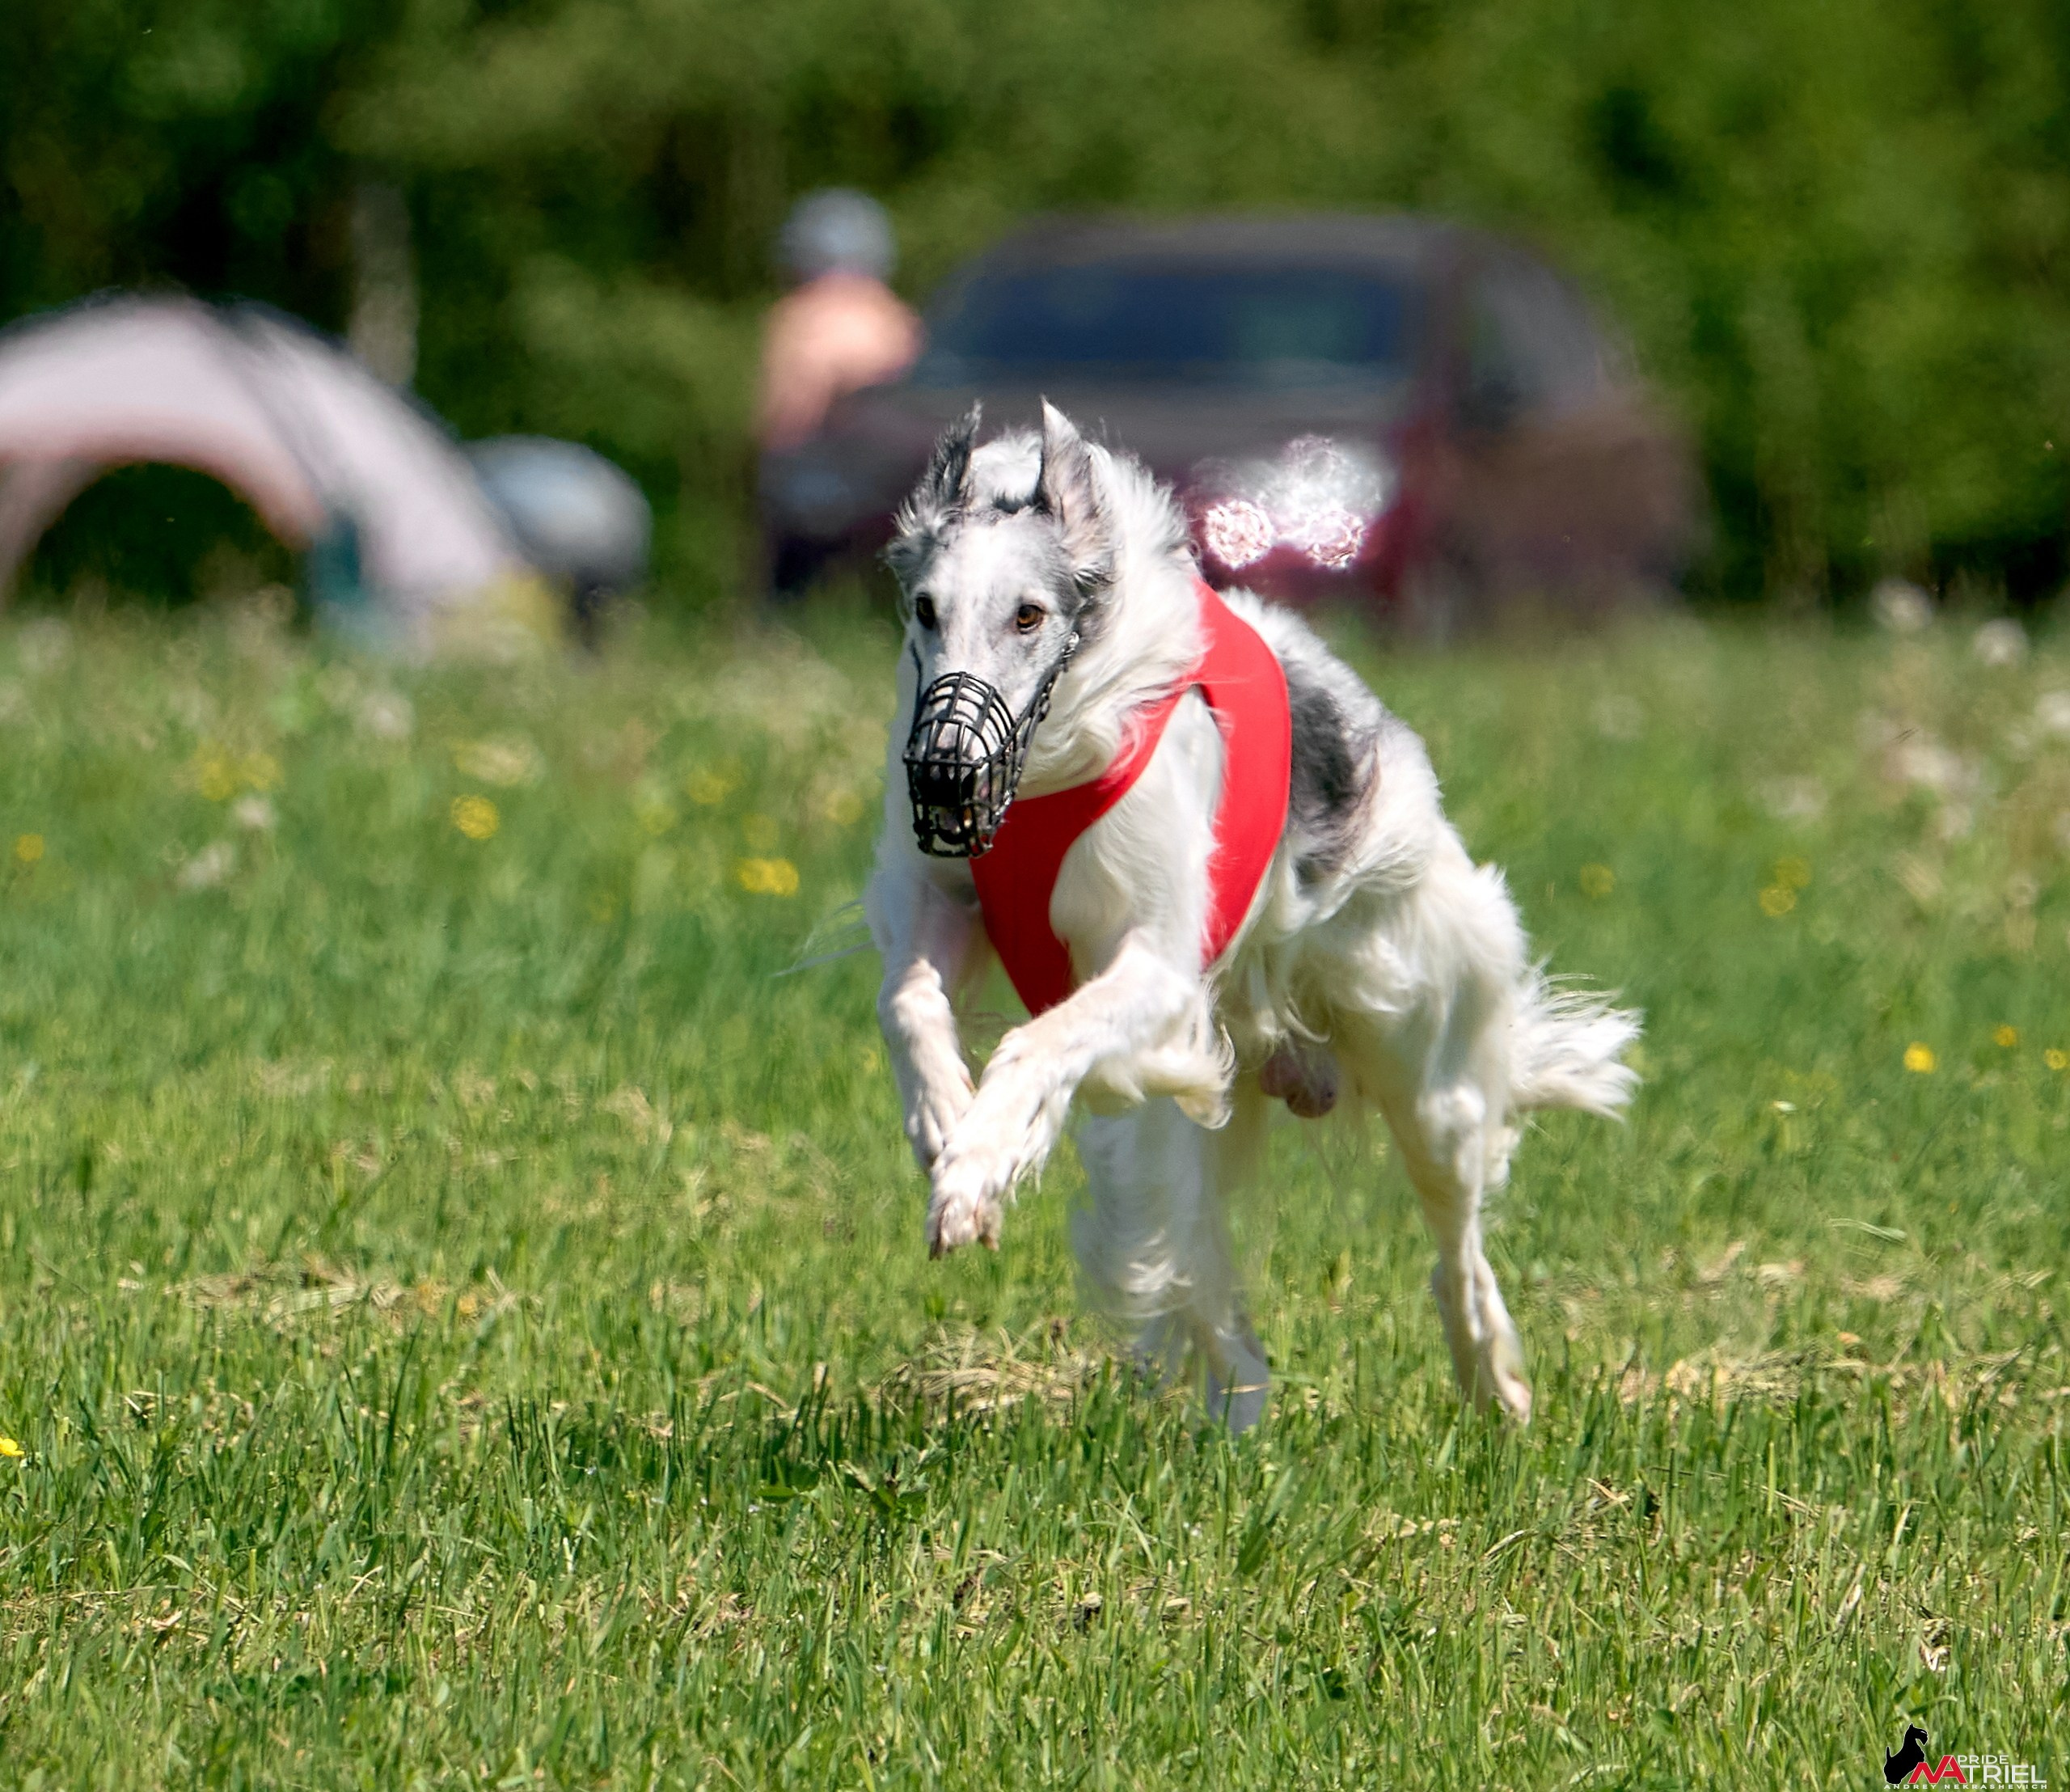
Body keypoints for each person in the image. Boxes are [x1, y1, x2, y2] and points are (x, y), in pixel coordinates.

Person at [758, 190, 922, 595]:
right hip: (902, 486)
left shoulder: (801, 317)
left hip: (821, 491)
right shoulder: (899, 320)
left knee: (789, 600)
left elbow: (786, 421)